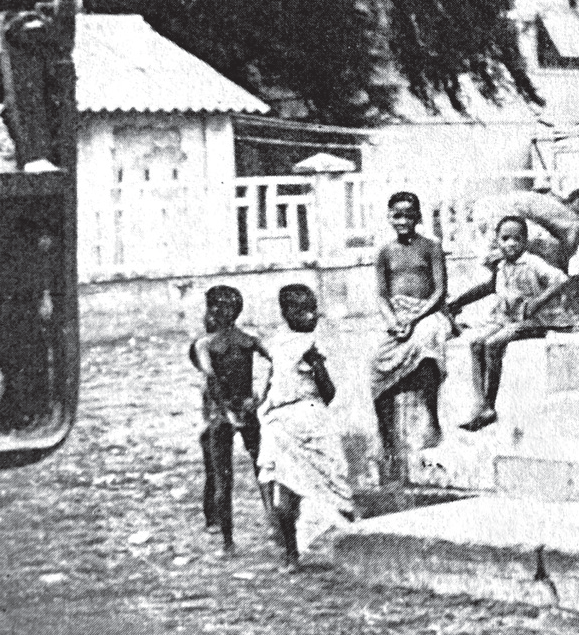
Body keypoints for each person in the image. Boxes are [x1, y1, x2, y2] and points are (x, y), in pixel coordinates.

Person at [256, 284, 353, 571]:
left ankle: (355, 544)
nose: (311, 316)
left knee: (333, 482)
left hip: (311, 419)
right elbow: (272, 384)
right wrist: (263, 411)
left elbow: (329, 392)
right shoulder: (279, 344)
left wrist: (317, 366)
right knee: (284, 495)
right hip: (282, 425)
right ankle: (290, 554)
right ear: (286, 313)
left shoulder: (312, 346)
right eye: (302, 310)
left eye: (314, 309)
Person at [450, 216, 569, 431]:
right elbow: (492, 289)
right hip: (507, 318)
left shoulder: (532, 262)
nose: (511, 243)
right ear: (497, 241)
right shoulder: (502, 266)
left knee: (494, 344)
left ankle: (489, 405)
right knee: (476, 343)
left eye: (517, 238)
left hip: (534, 320)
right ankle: (479, 403)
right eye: (505, 238)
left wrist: (537, 302)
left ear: (525, 241)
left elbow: (560, 279)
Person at [188, 285, 271, 554]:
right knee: (262, 468)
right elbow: (277, 361)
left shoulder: (205, 343)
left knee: (223, 477)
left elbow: (210, 375)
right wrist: (261, 396)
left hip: (222, 414)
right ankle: (273, 526)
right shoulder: (249, 339)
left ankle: (228, 542)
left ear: (212, 310)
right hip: (245, 408)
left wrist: (223, 406)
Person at [371, 192, 453, 454]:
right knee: (377, 363)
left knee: (425, 344)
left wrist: (415, 319)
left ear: (418, 217)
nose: (403, 221)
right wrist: (393, 321)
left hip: (428, 314)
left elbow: (440, 291)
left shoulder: (431, 247)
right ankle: (386, 435)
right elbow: (382, 295)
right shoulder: (385, 252)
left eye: (408, 215)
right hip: (399, 317)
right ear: (389, 218)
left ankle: (432, 418)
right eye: (397, 215)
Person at [481, 187, 579, 329]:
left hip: (507, 211)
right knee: (542, 260)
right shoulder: (573, 230)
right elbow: (559, 276)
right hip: (501, 210)